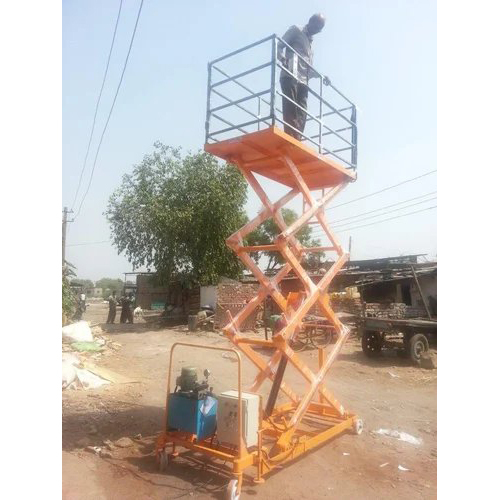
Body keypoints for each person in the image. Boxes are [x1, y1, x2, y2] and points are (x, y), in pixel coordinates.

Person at [278, 14, 331, 140]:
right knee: (291, 107)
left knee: (302, 112)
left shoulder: (311, 44)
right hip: (290, 74)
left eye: (320, 29)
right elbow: (279, 45)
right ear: (311, 21)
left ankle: (297, 138)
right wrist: (282, 58)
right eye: (317, 27)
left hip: (303, 81)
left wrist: (321, 76)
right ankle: (290, 137)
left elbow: (308, 68)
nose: (318, 31)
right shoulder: (296, 30)